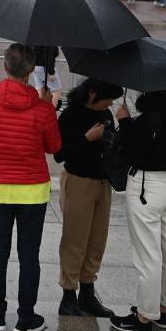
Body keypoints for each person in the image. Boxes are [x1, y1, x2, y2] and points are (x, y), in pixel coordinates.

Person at [0, 43, 61, 331]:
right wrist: (48, 108)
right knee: (29, 255)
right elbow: (54, 147)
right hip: (32, 191)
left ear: (5, 67)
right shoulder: (42, 108)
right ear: (32, 70)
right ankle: (26, 316)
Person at [111, 87, 166, 331]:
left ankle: (144, 317)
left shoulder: (149, 120)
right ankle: (162, 309)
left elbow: (134, 153)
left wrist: (124, 122)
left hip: (147, 186)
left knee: (147, 254)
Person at [56, 77, 124, 318]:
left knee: (97, 240)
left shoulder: (105, 115)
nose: (110, 106)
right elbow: (59, 153)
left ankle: (87, 293)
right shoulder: (70, 116)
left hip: (103, 182)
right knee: (75, 240)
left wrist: (121, 129)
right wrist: (87, 139)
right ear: (93, 94)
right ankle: (68, 296)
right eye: (107, 100)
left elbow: (115, 147)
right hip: (78, 181)